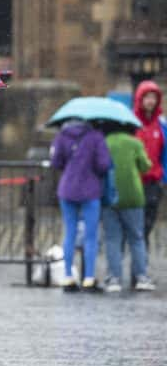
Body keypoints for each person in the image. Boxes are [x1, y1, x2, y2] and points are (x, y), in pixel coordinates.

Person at [50, 119, 112, 291]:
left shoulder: (61, 136)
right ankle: (89, 278)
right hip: (90, 190)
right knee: (91, 236)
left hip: (67, 189)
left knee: (69, 233)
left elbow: (55, 162)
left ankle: (68, 277)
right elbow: (104, 164)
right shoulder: (96, 137)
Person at [101, 124, 154, 291]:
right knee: (137, 238)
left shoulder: (104, 142)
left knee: (112, 239)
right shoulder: (135, 143)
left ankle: (114, 278)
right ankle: (141, 277)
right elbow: (145, 166)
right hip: (133, 197)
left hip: (109, 195)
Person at [132, 80, 167, 247]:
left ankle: (141, 265)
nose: (150, 101)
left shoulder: (161, 126)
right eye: (147, 97)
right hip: (135, 181)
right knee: (136, 226)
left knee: (147, 225)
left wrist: (163, 178)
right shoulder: (132, 124)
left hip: (154, 182)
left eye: (154, 97)